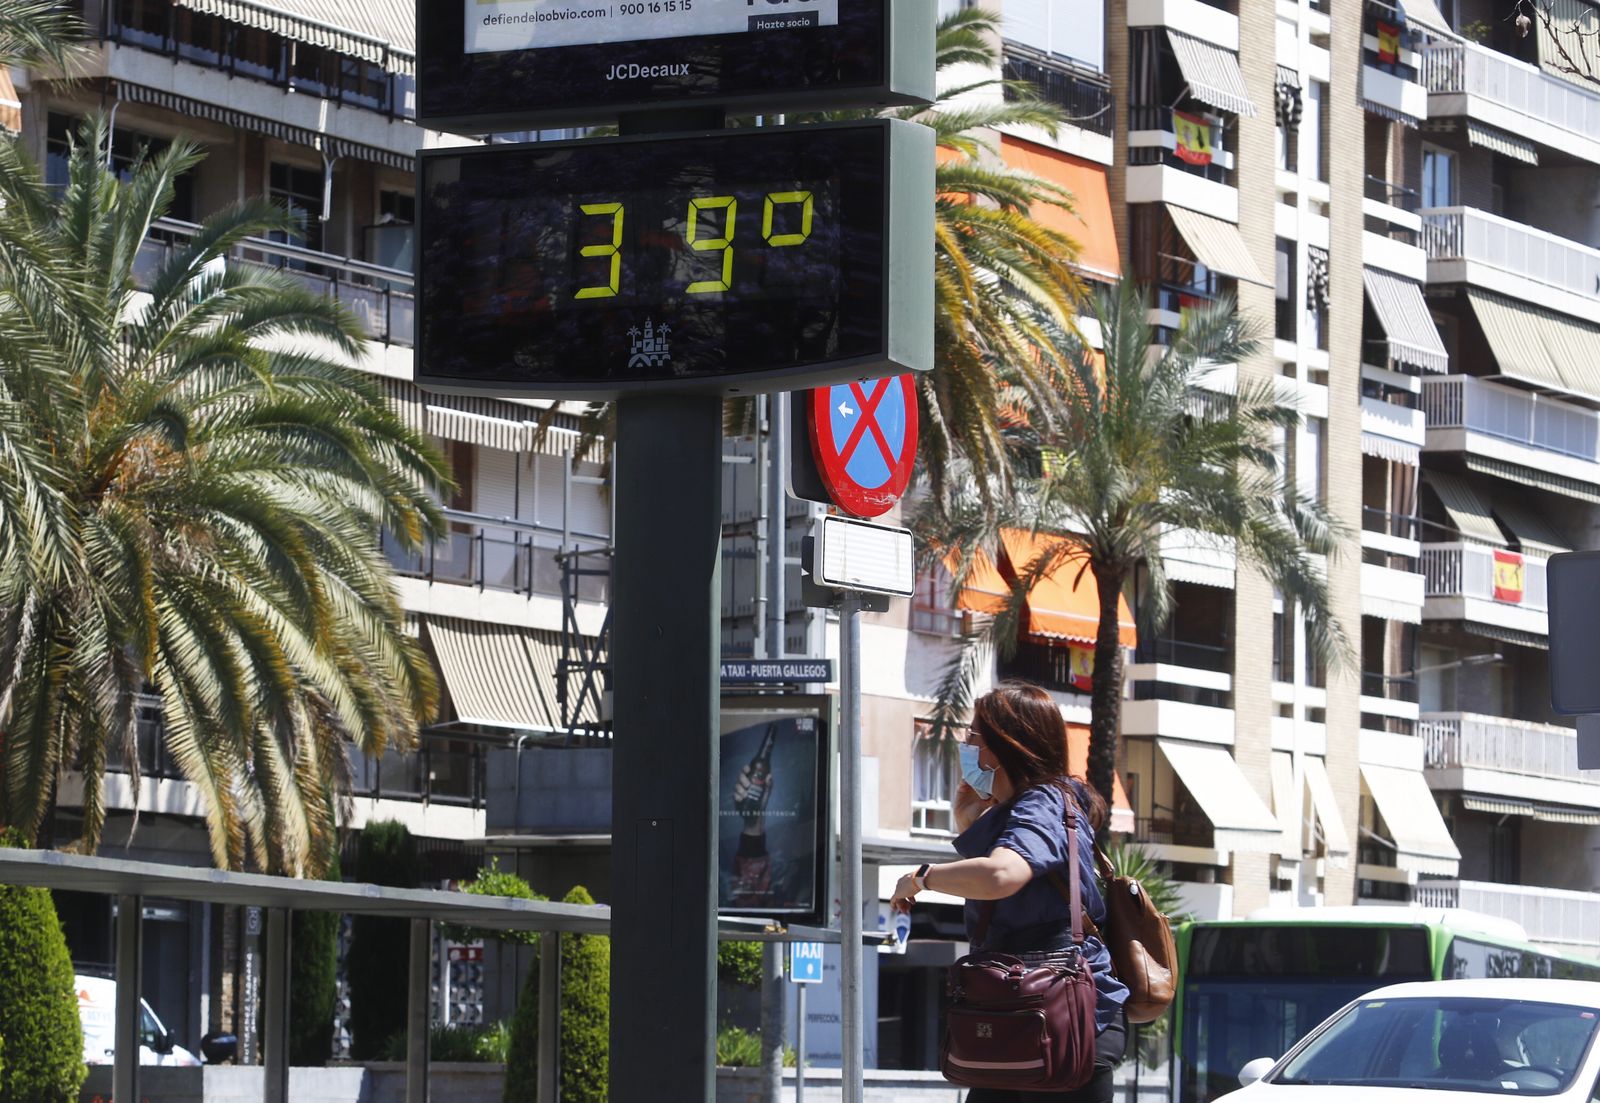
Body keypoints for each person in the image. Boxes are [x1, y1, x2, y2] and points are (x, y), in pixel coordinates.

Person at [890, 682, 1129, 1103]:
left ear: (1002, 747)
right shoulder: (1031, 807)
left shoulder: (1042, 803)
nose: (966, 745)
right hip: (1022, 1012)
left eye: (973, 736)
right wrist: (971, 822)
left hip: (1057, 1020)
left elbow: (1003, 875)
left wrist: (923, 877)